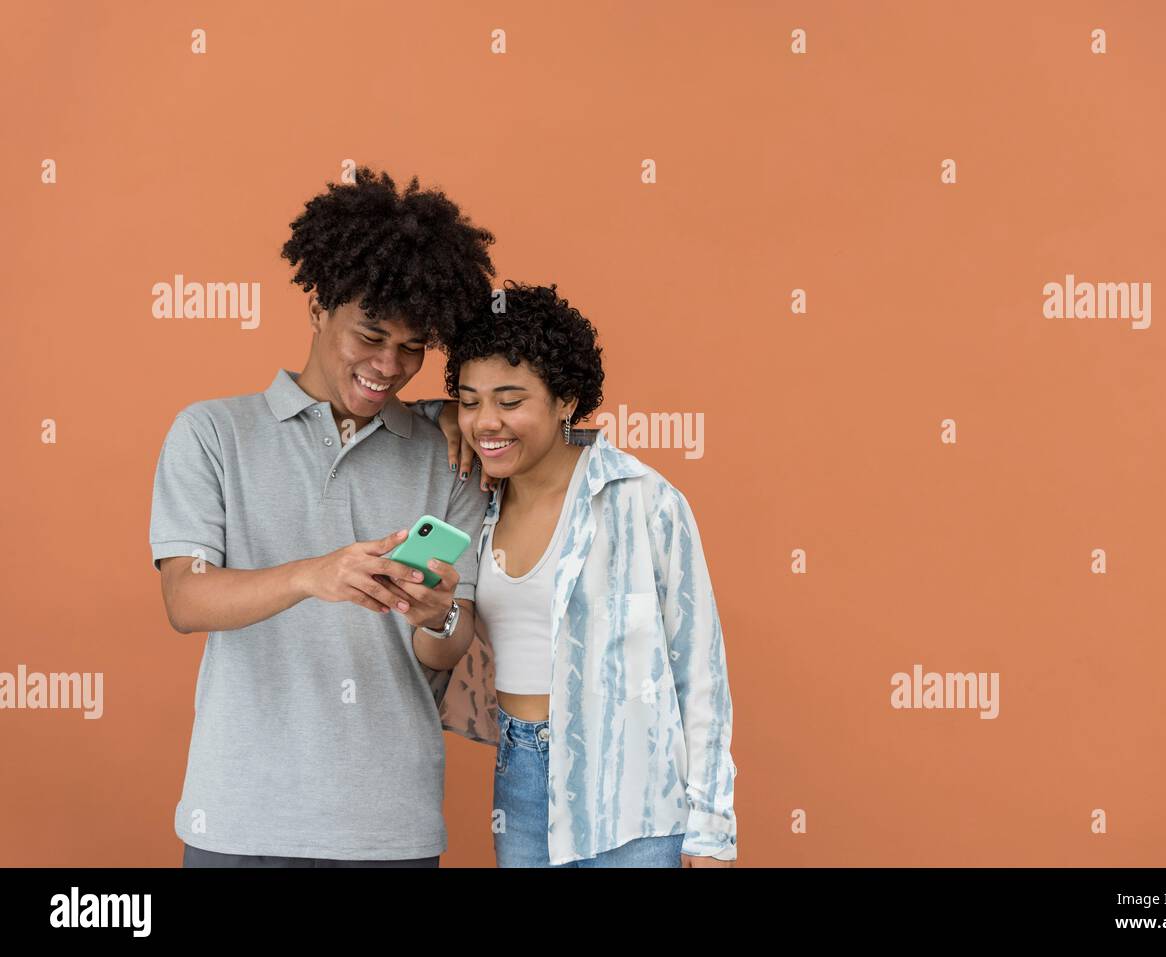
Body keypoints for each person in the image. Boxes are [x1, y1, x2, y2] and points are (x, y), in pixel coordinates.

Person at [149, 167, 493, 867]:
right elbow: (186, 600)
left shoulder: (448, 453)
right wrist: (315, 574)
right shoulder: (212, 433)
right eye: (369, 335)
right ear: (317, 305)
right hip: (239, 820)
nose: (388, 365)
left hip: (389, 829)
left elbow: (445, 648)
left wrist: (436, 616)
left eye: (411, 347)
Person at [408, 281, 738, 867]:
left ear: (566, 400)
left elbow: (700, 670)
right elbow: (392, 413)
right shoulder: (475, 500)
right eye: (470, 399)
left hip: (634, 801)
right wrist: (445, 416)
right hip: (521, 781)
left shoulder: (642, 499)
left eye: (511, 402)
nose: (487, 421)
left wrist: (710, 830)